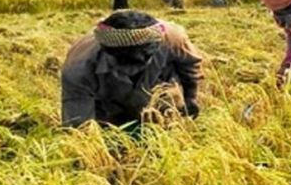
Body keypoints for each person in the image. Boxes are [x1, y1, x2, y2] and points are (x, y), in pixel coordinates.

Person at [61, 10, 202, 128]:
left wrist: (190, 97)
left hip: (158, 92)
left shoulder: (172, 38)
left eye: (140, 62)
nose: (132, 70)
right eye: (124, 63)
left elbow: (190, 65)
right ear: (107, 51)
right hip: (109, 103)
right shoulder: (78, 68)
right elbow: (78, 124)